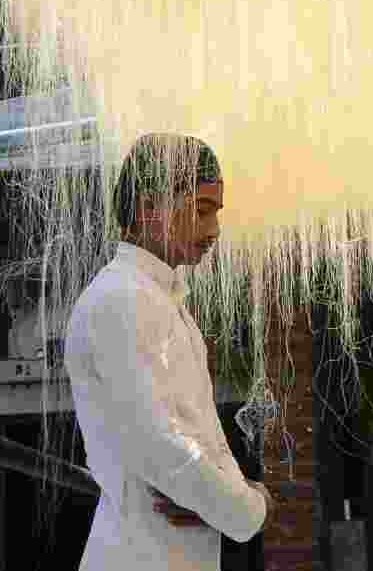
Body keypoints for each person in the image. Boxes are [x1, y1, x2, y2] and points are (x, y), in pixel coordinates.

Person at [64, 133, 275, 571]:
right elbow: (163, 446)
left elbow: (202, 445)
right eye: (201, 210)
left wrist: (232, 500)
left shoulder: (159, 301)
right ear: (148, 208)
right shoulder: (121, 299)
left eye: (216, 213)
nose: (214, 230)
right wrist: (251, 508)